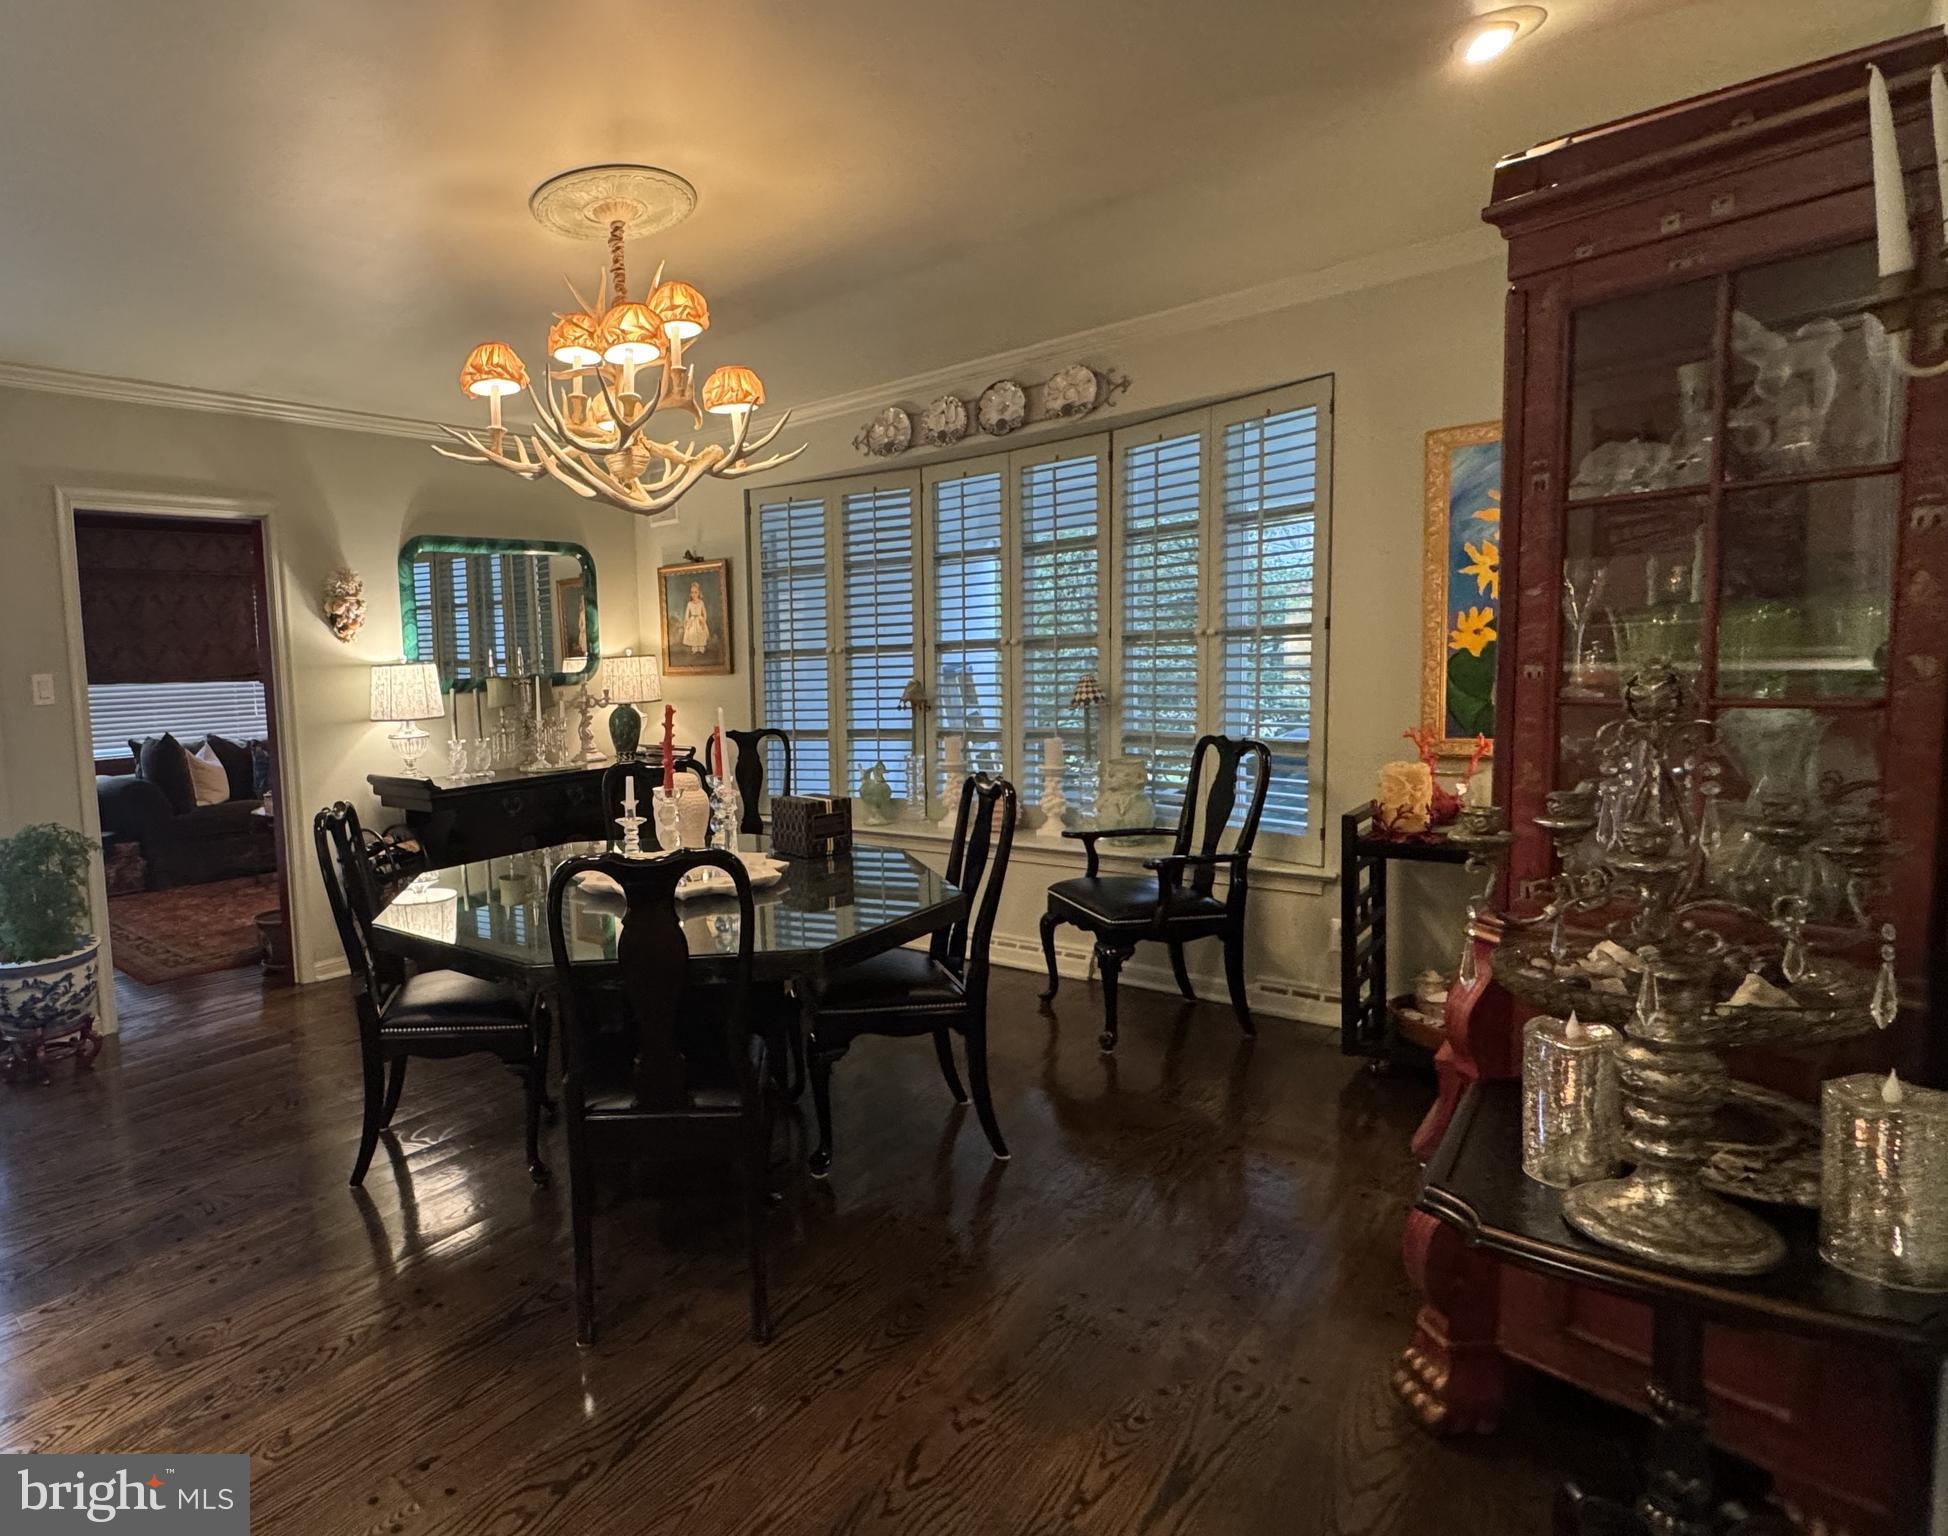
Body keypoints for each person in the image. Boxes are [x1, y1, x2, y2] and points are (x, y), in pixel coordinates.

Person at [680, 580, 711, 657]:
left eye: (695, 592)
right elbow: (687, 614)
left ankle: (701, 647)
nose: (694, 594)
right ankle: (694, 647)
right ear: (690, 594)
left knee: (700, 633)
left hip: (700, 620)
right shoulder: (689, 604)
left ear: (699, 593)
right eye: (692, 592)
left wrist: (703, 620)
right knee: (693, 633)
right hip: (692, 620)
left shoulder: (701, 602)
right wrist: (688, 622)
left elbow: (704, 613)